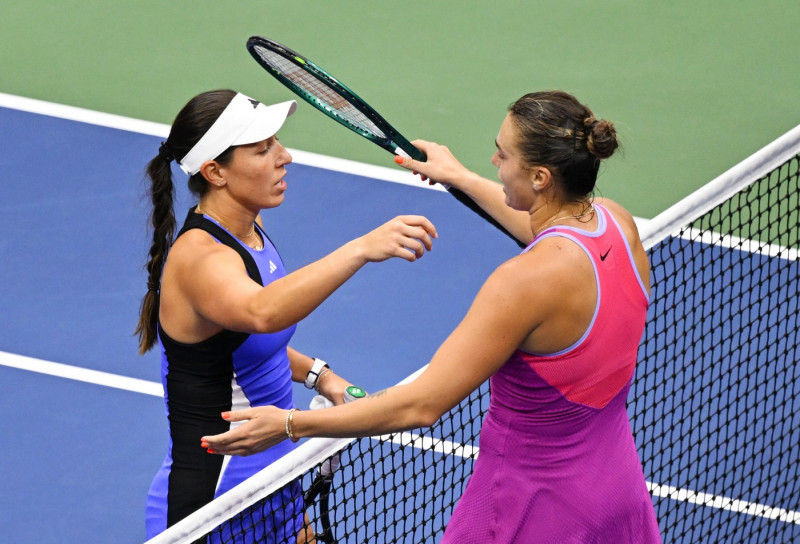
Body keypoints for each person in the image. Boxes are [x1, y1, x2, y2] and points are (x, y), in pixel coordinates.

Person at [201, 90, 662, 543]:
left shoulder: (524, 282)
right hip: (615, 492)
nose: (494, 164)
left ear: (540, 177)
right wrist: (456, 175)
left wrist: (288, 424)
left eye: (502, 156)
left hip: (530, 508)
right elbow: (546, 228)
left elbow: (421, 405)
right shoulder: (615, 224)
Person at [136, 89, 437, 542]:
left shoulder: (250, 232)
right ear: (215, 172)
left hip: (277, 483)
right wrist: (360, 250)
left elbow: (248, 349)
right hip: (214, 508)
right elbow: (263, 314)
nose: (285, 156)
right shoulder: (201, 258)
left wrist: (320, 376)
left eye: (277, 143)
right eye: (263, 149)